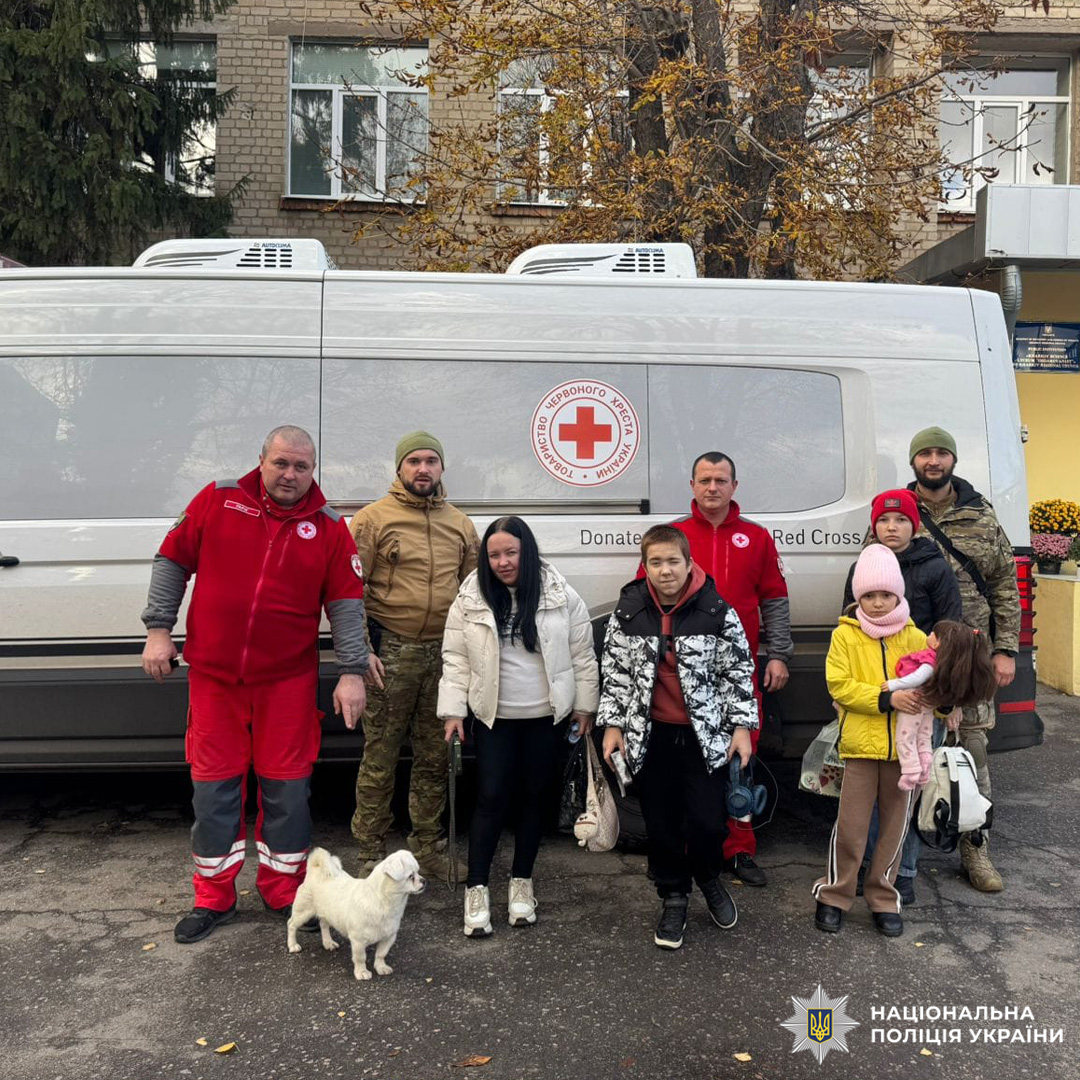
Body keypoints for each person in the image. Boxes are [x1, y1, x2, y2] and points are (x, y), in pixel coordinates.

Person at [140, 425, 369, 944]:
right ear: (261, 460)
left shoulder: (329, 527)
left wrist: (352, 671)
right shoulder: (219, 500)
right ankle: (213, 897)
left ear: (314, 471)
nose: (291, 475)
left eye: (302, 467)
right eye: (281, 463)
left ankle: (284, 891)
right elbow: (171, 561)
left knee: (288, 791)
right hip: (215, 679)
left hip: (287, 681)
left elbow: (348, 605)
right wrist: (158, 631)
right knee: (214, 788)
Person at [439, 517, 599, 937]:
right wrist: (453, 711)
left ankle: (521, 884)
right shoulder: (471, 596)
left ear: (527, 551)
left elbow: (582, 654)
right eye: (494, 554)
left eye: (511, 552)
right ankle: (476, 889)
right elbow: (455, 657)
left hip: (547, 717)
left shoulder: (560, 594)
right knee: (491, 797)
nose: (504, 562)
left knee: (534, 799)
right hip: (496, 719)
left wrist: (585, 707)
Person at [599, 525, 757, 950]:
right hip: (649, 737)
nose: (665, 571)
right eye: (656, 562)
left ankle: (707, 876)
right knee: (662, 826)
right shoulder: (629, 610)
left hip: (704, 739)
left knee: (707, 824)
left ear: (688, 563)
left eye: (673, 561)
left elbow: (738, 671)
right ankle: (673, 896)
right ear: (645, 565)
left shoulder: (715, 608)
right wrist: (613, 725)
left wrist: (741, 727)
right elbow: (615, 673)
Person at [652, 451, 793, 887]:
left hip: (739, 673)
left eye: (721, 480)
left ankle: (740, 849)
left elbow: (774, 597)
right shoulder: (673, 536)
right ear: (692, 486)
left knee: (739, 762)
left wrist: (778, 654)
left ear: (735, 487)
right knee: (687, 765)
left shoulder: (756, 537)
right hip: (682, 676)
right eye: (705, 479)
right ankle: (691, 850)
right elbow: (647, 595)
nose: (712, 487)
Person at [349, 431, 480, 881]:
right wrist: (362, 652)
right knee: (379, 756)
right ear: (399, 468)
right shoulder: (372, 520)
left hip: (443, 654)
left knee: (434, 757)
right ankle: (370, 851)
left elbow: (472, 595)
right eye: (413, 461)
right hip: (390, 651)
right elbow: (350, 592)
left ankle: (427, 847)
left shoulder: (460, 525)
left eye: (431, 460)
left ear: (441, 468)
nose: (423, 468)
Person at [907, 426, 1021, 892]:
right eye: (925, 454)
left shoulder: (981, 516)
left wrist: (1005, 649)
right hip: (909, 657)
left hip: (971, 658)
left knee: (971, 750)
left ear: (952, 460)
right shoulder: (897, 512)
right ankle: (902, 852)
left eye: (941, 453)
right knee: (909, 754)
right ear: (913, 461)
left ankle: (975, 848)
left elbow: (1004, 587)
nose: (933, 461)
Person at [841, 488, 963, 903]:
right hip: (876, 699)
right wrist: (846, 696)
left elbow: (953, 637)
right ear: (873, 526)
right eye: (883, 521)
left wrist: (950, 699)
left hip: (921, 702)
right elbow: (847, 625)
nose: (891, 527)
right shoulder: (864, 566)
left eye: (901, 520)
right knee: (868, 799)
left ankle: (903, 872)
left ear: (914, 524)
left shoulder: (934, 568)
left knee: (909, 789)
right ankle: (864, 873)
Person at [813, 544, 926, 938]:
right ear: (857, 598)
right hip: (860, 748)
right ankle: (834, 896)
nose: (877, 604)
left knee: (895, 828)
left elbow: (935, 688)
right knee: (851, 826)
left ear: (899, 594)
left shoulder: (917, 637)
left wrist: (944, 702)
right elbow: (840, 685)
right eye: (869, 596)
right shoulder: (845, 636)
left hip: (904, 753)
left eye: (885, 595)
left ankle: (883, 897)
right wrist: (887, 698)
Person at [884, 620, 998, 790]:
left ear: (938, 642)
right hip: (927, 706)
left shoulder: (929, 660)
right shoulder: (944, 662)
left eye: (932, 634)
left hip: (912, 702)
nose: (927, 636)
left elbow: (916, 678)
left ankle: (911, 771)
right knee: (923, 737)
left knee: (906, 737)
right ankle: (924, 768)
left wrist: (892, 685)